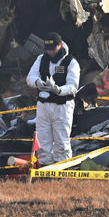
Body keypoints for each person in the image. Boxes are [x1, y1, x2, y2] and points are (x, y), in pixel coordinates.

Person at [26, 32, 80, 165]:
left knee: (61, 140)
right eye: (48, 49)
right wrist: (38, 82)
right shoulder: (41, 59)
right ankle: (45, 169)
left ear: (60, 45)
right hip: (43, 105)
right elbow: (30, 78)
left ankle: (62, 170)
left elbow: (73, 86)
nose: (50, 52)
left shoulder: (71, 62)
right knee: (43, 140)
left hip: (62, 106)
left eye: (53, 49)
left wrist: (59, 90)